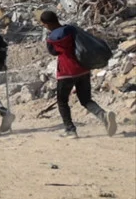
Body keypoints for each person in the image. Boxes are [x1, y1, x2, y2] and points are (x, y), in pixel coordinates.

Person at [40, 10, 118, 138]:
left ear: (46, 24)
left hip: (66, 72)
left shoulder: (52, 38)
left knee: (62, 101)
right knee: (86, 99)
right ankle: (103, 115)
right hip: (83, 69)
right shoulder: (71, 29)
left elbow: (53, 52)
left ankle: (70, 130)